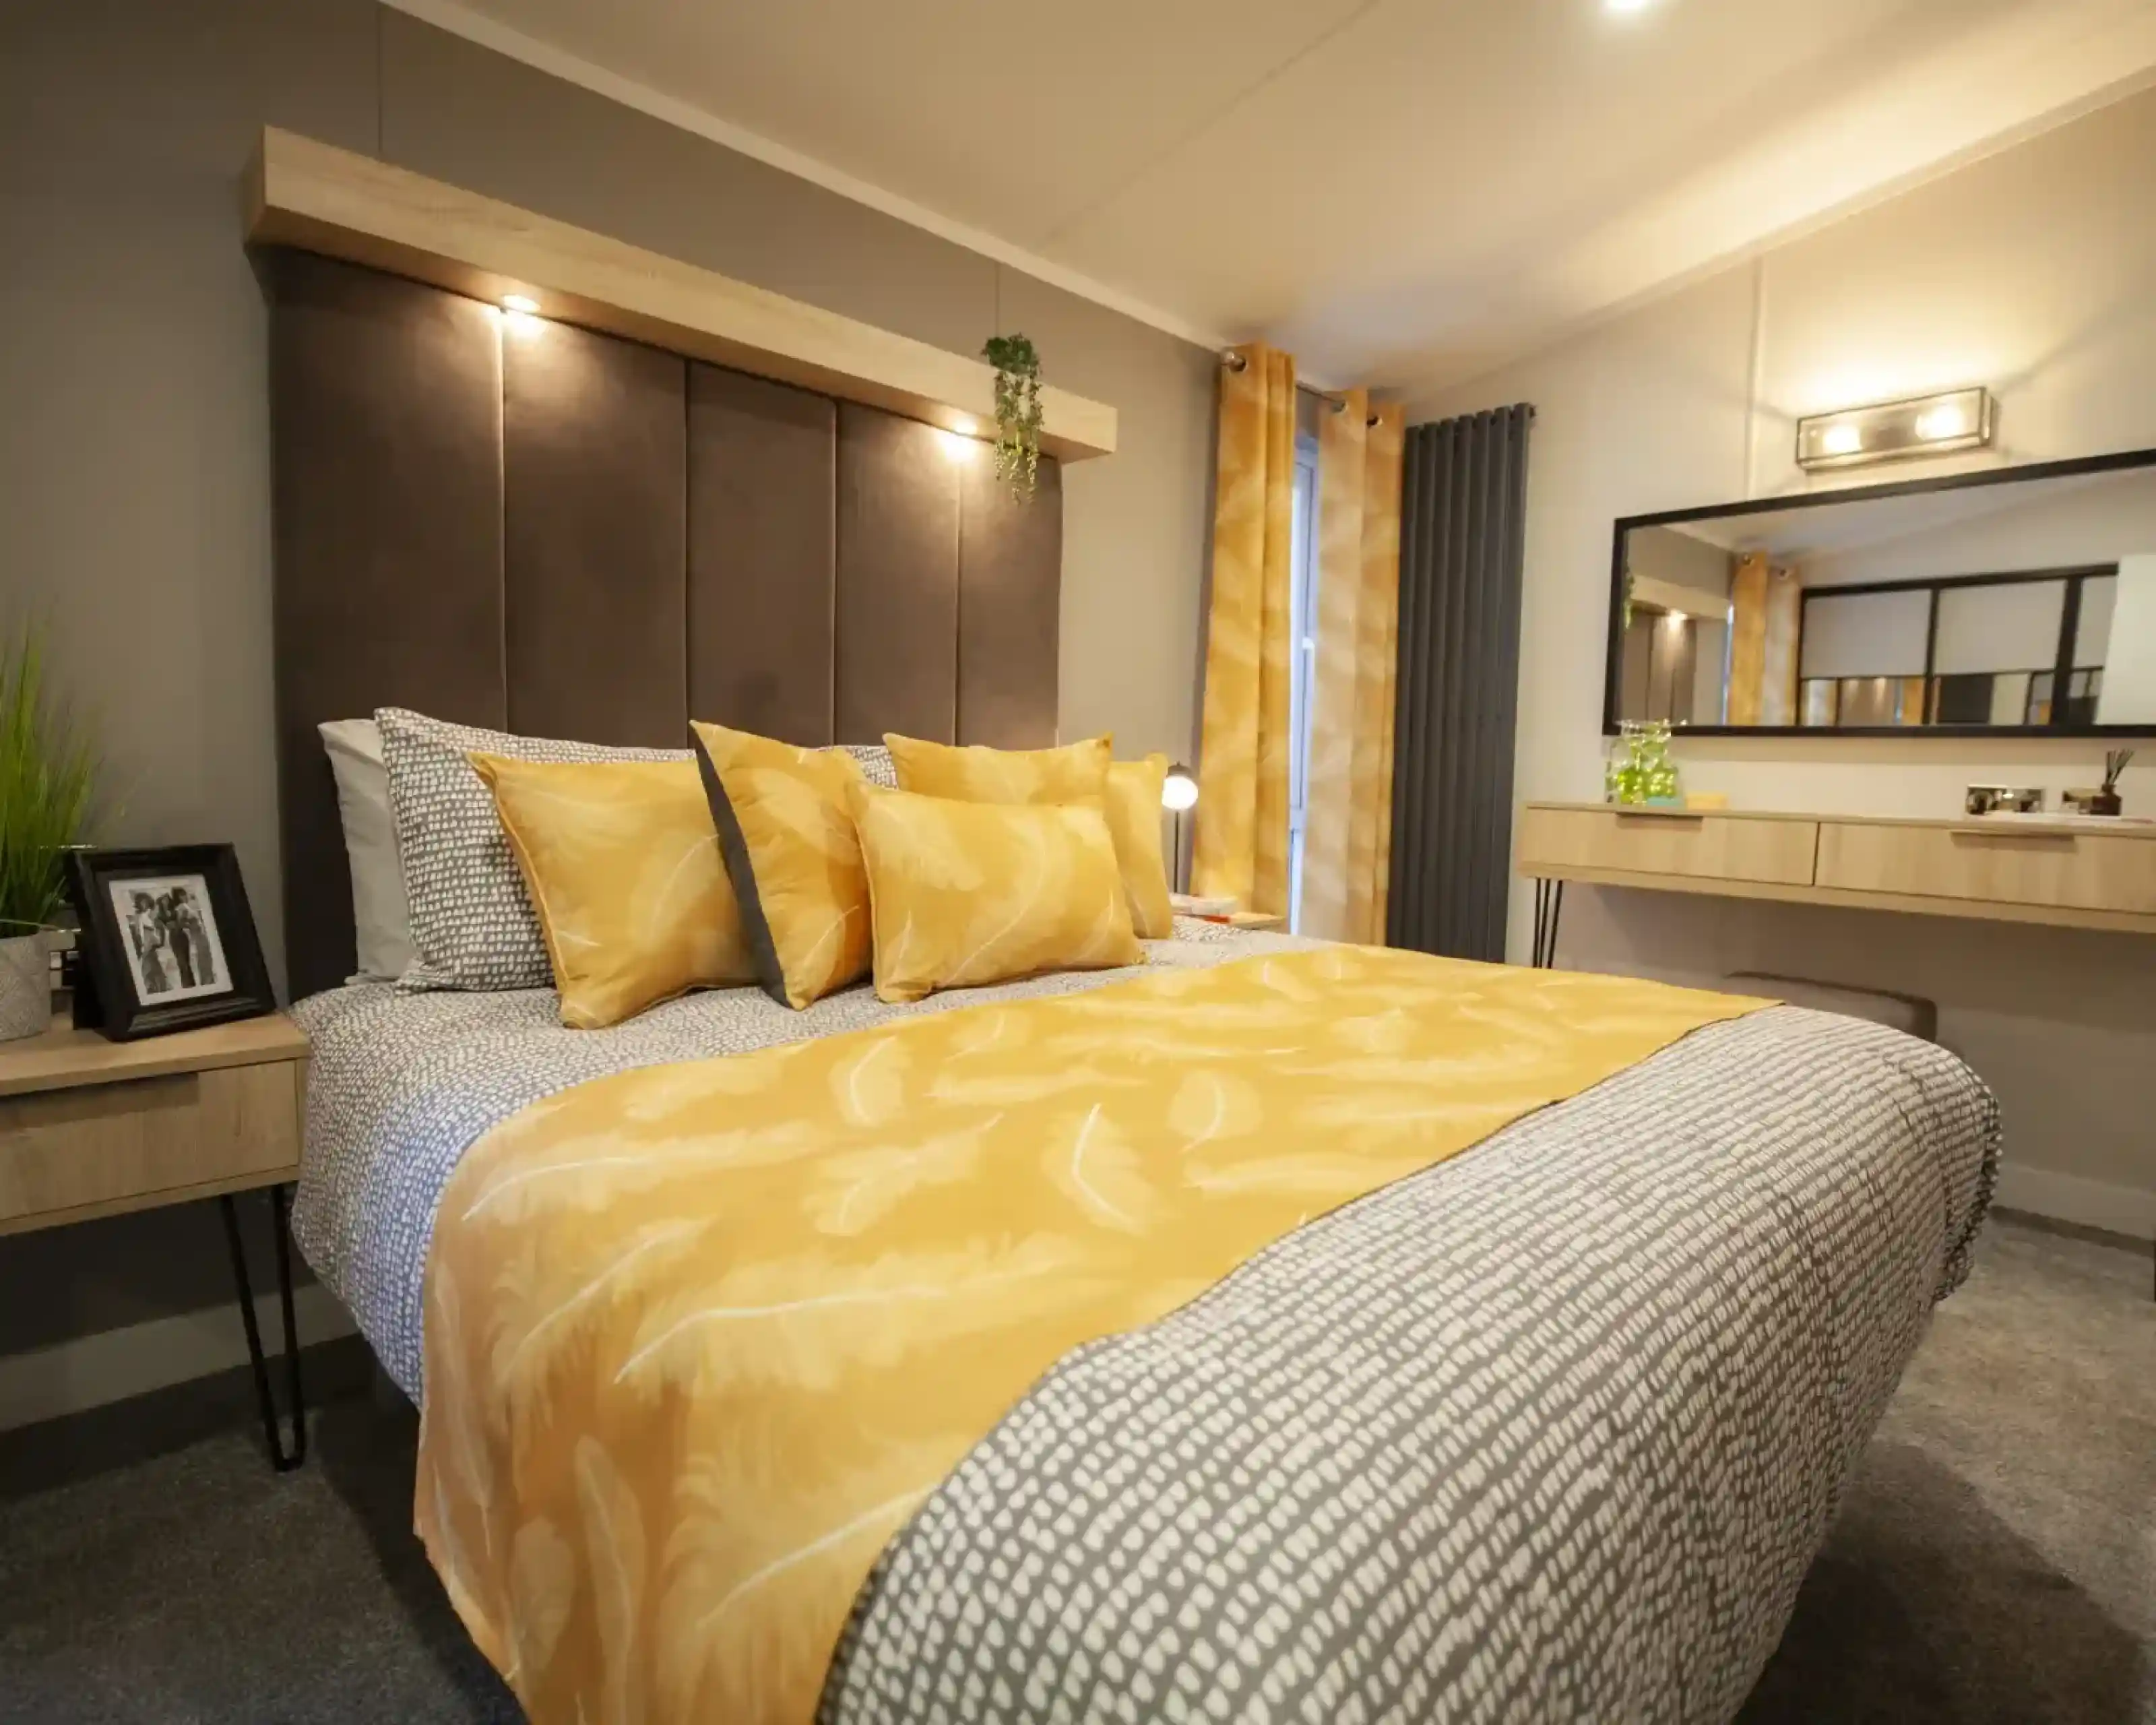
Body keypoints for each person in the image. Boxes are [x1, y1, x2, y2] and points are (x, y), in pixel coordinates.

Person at [128, 891, 169, 995]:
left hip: (152, 949)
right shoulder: (138, 917)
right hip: (145, 949)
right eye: (142, 902)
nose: (144, 904)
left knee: (155, 973)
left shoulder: (150, 915)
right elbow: (138, 934)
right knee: (150, 974)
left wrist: (158, 942)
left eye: (146, 902)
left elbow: (157, 932)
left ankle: (159, 990)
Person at [173, 889, 216, 988]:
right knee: (204, 956)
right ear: (179, 897)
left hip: (199, 933)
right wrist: (193, 926)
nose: (185, 896)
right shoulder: (182, 907)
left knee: (206, 956)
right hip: (197, 935)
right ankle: (207, 981)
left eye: (185, 894)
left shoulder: (186, 906)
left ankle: (207, 980)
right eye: (182, 895)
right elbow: (181, 923)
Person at [162, 890, 197, 990]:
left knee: (186, 962)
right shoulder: (162, 915)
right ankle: (188, 986)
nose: (166, 902)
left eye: (167, 900)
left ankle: (191, 985)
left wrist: (185, 923)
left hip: (181, 935)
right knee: (182, 963)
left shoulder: (177, 910)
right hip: (175, 937)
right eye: (164, 901)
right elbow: (168, 926)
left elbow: (181, 924)